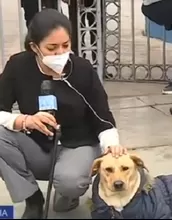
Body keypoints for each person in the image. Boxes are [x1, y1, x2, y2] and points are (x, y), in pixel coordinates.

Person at [0, 9, 127, 219]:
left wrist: (112, 144)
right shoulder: (18, 66)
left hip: (78, 144)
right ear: (34, 47)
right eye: (52, 48)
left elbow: (103, 118)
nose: (60, 53)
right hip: (38, 144)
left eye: (66, 46)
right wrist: (23, 121)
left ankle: (69, 193)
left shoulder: (83, 69)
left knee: (70, 181)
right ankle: (32, 198)